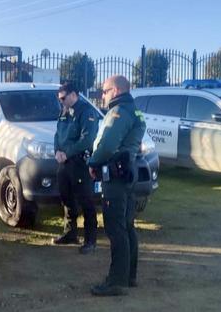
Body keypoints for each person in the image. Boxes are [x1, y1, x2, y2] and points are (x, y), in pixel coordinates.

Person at [88, 75, 146, 296]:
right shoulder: (134, 110)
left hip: (115, 174)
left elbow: (109, 143)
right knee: (127, 225)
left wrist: (93, 162)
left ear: (116, 90)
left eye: (104, 90)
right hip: (127, 172)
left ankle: (116, 281)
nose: (102, 95)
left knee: (115, 228)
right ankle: (129, 275)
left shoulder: (119, 112)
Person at [52, 81, 98, 254]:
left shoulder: (86, 112)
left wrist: (67, 152)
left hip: (79, 162)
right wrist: (57, 151)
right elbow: (58, 133)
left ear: (73, 94)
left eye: (63, 98)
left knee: (85, 200)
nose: (61, 102)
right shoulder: (64, 110)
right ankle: (70, 233)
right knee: (67, 198)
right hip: (63, 162)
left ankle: (90, 240)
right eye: (60, 99)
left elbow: (87, 139)